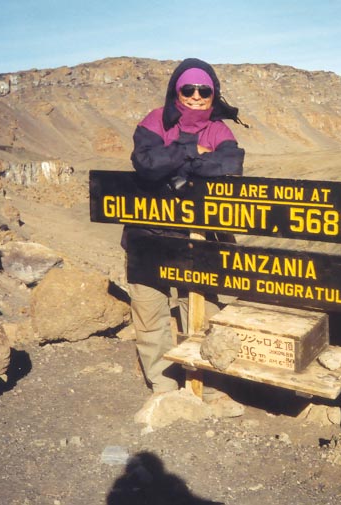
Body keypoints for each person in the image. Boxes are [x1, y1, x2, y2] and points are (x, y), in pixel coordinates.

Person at [122, 58, 246, 396]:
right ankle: (163, 388)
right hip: (148, 236)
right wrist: (194, 150)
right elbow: (147, 164)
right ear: (176, 91)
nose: (195, 96)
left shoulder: (219, 129)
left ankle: (205, 386)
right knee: (150, 313)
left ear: (213, 94)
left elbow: (230, 165)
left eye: (204, 90)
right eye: (188, 89)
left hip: (201, 239)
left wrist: (176, 159)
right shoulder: (154, 121)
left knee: (204, 313)